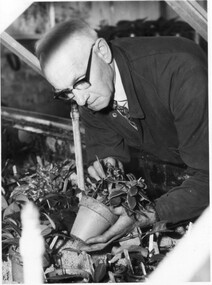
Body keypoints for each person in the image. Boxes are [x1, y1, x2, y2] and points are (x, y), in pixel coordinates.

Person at [35, 19, 209, 251]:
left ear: (102, 51)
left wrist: (147, 215)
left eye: (79, 82)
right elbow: (107, 151)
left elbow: (208, 176)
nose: (80, 100)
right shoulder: (92, 90)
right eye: (66, 92)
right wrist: (108, 169)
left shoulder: (178, 69)